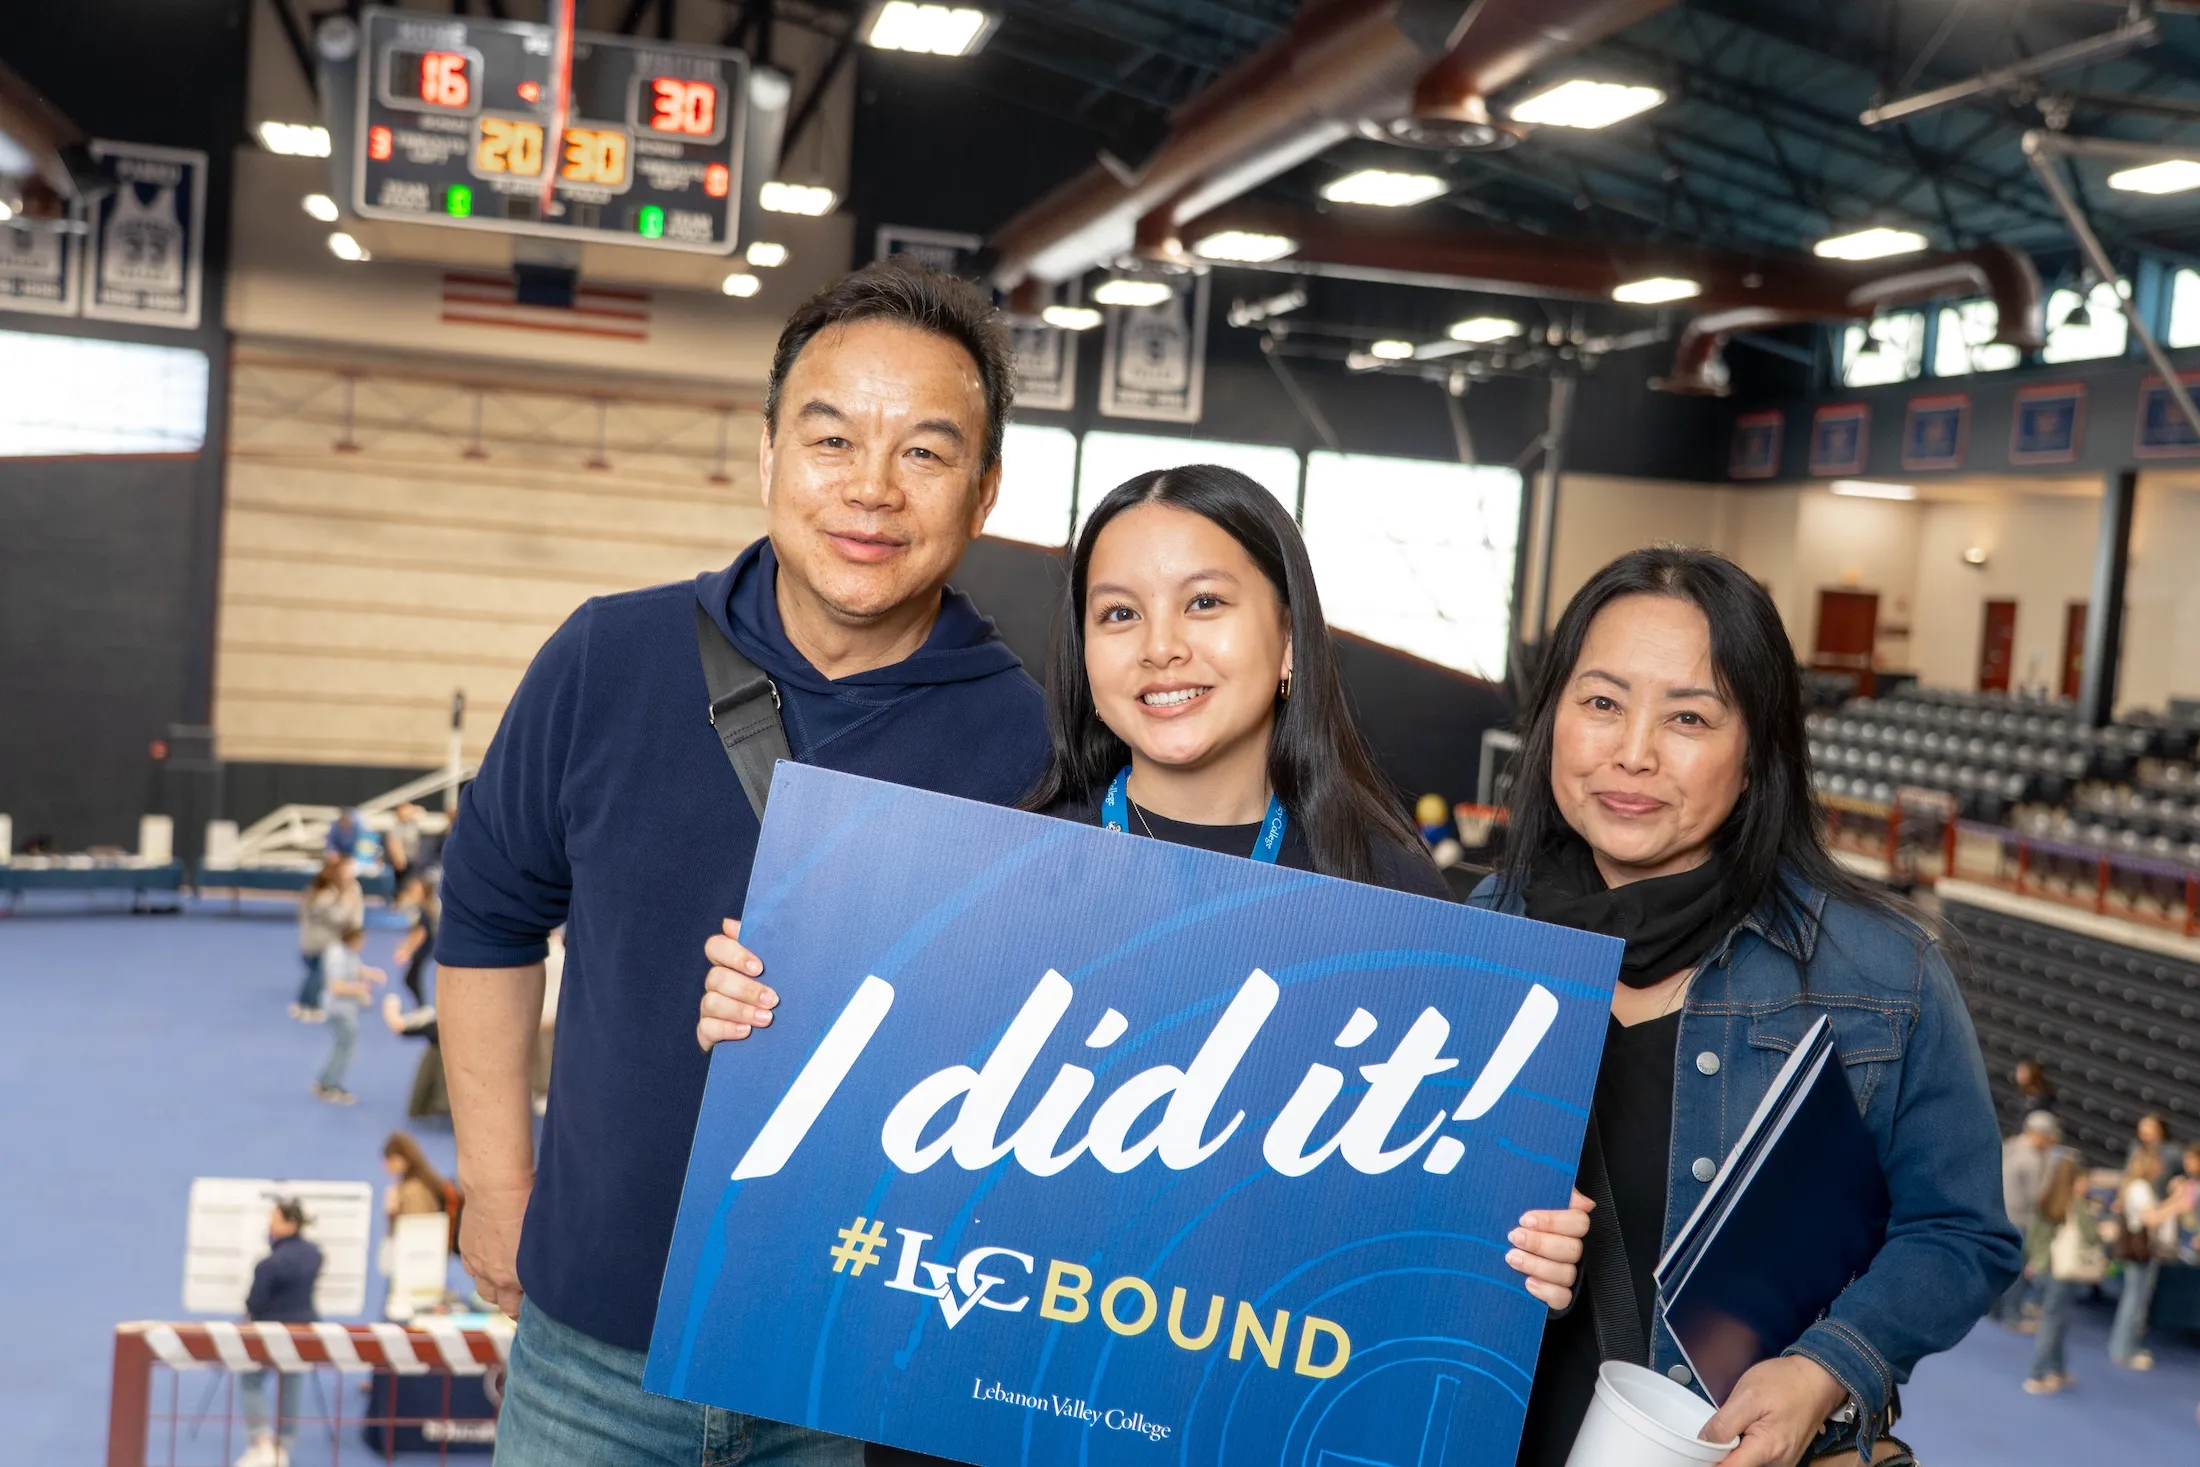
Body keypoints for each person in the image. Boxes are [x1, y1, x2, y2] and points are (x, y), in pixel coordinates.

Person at [701, 463, 1594, 1303]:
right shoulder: (991, 879)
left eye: (1204, 602)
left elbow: (1423, 1244)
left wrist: (1520, 1265)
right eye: (1119, 614)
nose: (1162, 647)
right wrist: (767, 1024)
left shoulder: (1398, 902)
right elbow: (860, 1171)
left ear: (1288, 640)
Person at [434, 258, 1052, 1467]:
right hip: (593, 1352)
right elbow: (489, 915)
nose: (872, 490)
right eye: (832, 440)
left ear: (982, 496)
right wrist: (498, 1185)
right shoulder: (607, 657)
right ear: (768, 454)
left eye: (925, 454)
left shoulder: (1029, 738)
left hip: (853, 1368)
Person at [1472, 547, 2019, 1467]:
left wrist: (1826, 1368)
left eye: (1688, 716)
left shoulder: (1882, 974)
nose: (1633, 752)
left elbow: (1960, 1230)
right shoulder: (1464, 943)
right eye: (1601, 702)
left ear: (1758, 750)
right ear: (1552, 719)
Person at [233, 1198, 322, 1467]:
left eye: (274, 1220)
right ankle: (283, 1447)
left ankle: (261, 1443)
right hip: (304, 1332)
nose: (270, 1225)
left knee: (250, 1381)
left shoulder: (268, 1265)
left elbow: (255, 1303)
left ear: (290, 1223)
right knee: (291, 1386)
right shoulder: (315, 1255)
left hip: (268, 1334)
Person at [2025, 1155, 2106, 1394]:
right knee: (2053, 1320)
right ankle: (2036, 1374)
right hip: (2062, 1270)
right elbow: (2091, 1235)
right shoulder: (2074, 1203)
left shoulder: (2045, 1198)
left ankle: (2058, 1369)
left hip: (2043, 1267)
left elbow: (2034, 1235)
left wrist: (2035, 1260)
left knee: (2058, 1319)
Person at [2109, 1142, 2182, 1370]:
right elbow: (2151, 1218)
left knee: (2137, 1301)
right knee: (2134, 1301)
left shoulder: (2141, 1187)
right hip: (2138, 1252)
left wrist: (2175, 1200)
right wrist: (2178, 1203)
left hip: (2143, 1253)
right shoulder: (2140, 1187)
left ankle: (2127, 1347)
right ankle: (2123, 1349)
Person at [1993, 1111, 2064, 1328]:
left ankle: (1994, 1311)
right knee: (2016, 1271)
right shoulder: (2032, 1159)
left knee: (1999, 1267)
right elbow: (2037, 1196)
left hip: (1999, 1212)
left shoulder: (2012, 1145)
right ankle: (2012, 1316)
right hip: (2018, 1219)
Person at [313, 923, 385, 1105]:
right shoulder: (337, 956)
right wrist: (360, 989)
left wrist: (371, 973)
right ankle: (330, 1085)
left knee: (341, 1046)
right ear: (353, 939)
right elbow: (337, 987)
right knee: (344, 1048)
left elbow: (355, 969)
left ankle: (325, 1082)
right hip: (339, 1010)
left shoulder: (347, 952)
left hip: (345, 1009)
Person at [290, 854, 361, 1021]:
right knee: (319, 976)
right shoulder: (327, 896)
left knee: (312, 975)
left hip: (309, 941)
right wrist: (346, 904)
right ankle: (312, 1007)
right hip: (321, 944)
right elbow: (337, 918)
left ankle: (301, 1005)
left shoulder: (313, 892)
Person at [2013, 1057, 2057, 1121]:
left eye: (2022, 1072)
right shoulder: (2026, 1095)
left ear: (2033, 1074)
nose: (2018, 1075)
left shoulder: (2043, 1099)